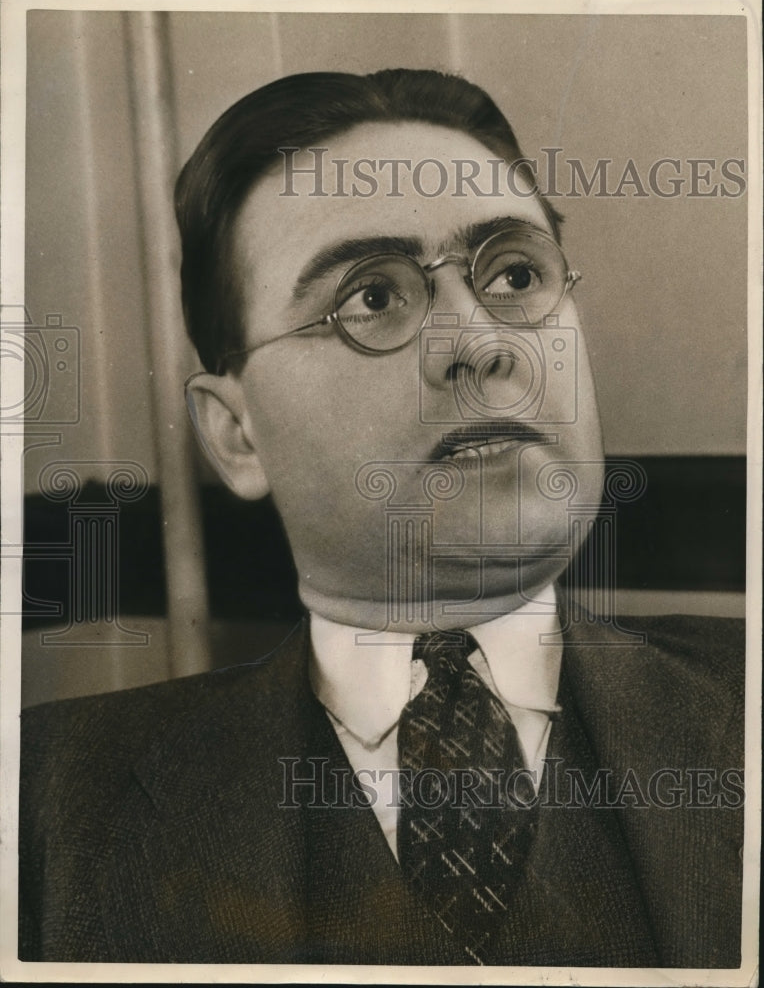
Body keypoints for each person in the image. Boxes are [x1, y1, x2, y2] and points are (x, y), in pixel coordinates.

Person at [19, 69, 744, 968]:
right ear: (236, 433)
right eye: (372, 297)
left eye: (516, 274)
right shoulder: (42, 802)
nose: (478, 344)